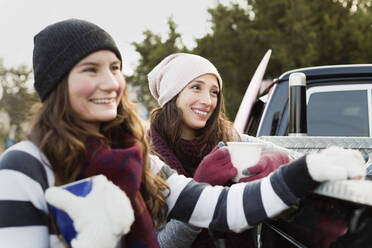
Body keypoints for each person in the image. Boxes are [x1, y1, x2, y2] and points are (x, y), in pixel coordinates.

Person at [0, 19, 366, 248]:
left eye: (114, 67)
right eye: (90, 69)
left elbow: (226, 209)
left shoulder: (136, 161)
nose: (110, 82)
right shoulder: (23, 168)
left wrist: (309, 169)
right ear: (56, 85)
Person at [146, 53, 362, 248]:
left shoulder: (228, 139)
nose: (207, 101)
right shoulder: (150, 160)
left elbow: (300, 160)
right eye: (196, 87)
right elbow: (162, 244)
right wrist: (200, 191)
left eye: (214, 92)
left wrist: (280, 162)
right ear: (171, 94)